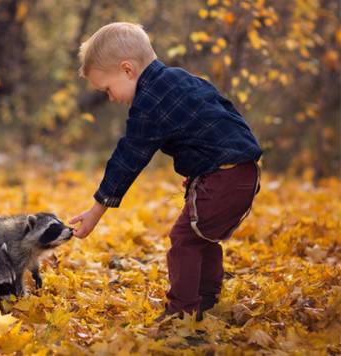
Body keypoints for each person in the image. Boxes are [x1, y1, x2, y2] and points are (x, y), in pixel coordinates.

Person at [69, 22, 262, 321]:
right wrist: (206, 166)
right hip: (241, 171)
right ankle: (206, 297)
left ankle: (180, 312)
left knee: (184, 238)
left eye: (107, 89)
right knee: (203, 236)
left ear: (127, 70)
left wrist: (96, 210)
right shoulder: (181, 79)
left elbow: (129, 157)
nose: (110, 98)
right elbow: (224, 112)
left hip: (224, 176)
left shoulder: (149, 103)